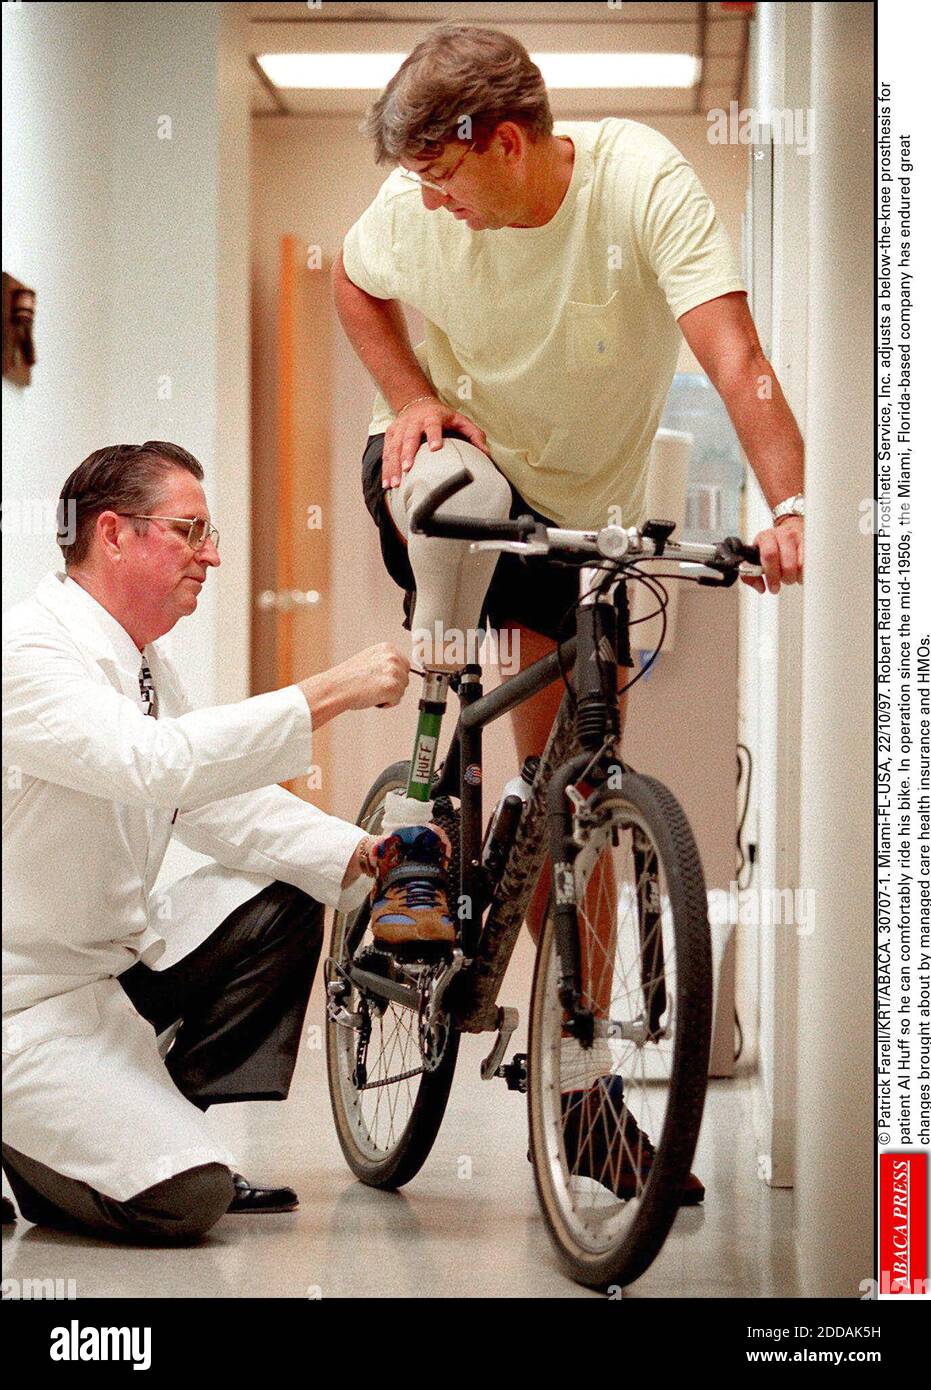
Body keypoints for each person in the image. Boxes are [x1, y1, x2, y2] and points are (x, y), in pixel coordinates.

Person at [334, 24, 806, 1202]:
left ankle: (584, 1091)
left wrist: (788, 502)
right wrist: (411, 394)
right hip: (459, 480)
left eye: (444, 179)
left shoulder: (639, 181)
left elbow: (733, 352)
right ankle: (425, 801)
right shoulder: (414, 206)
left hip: (580, 523)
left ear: (503, 142)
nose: (428, 204)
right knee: (455, 486)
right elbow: (351, 281)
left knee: (568, 804)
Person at [1, 441, 407, 1242]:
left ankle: (150, 1122)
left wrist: (360, 854)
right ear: (114, 534)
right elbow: (155, 763)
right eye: (191, 531)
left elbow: (209, 800)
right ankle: (56, 1148)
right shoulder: (29, 654)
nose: (211, 554)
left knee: (291, 891)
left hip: (106, 971)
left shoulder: (141, 658)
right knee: (184, 1203)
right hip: (25, 999)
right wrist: (332, 690)